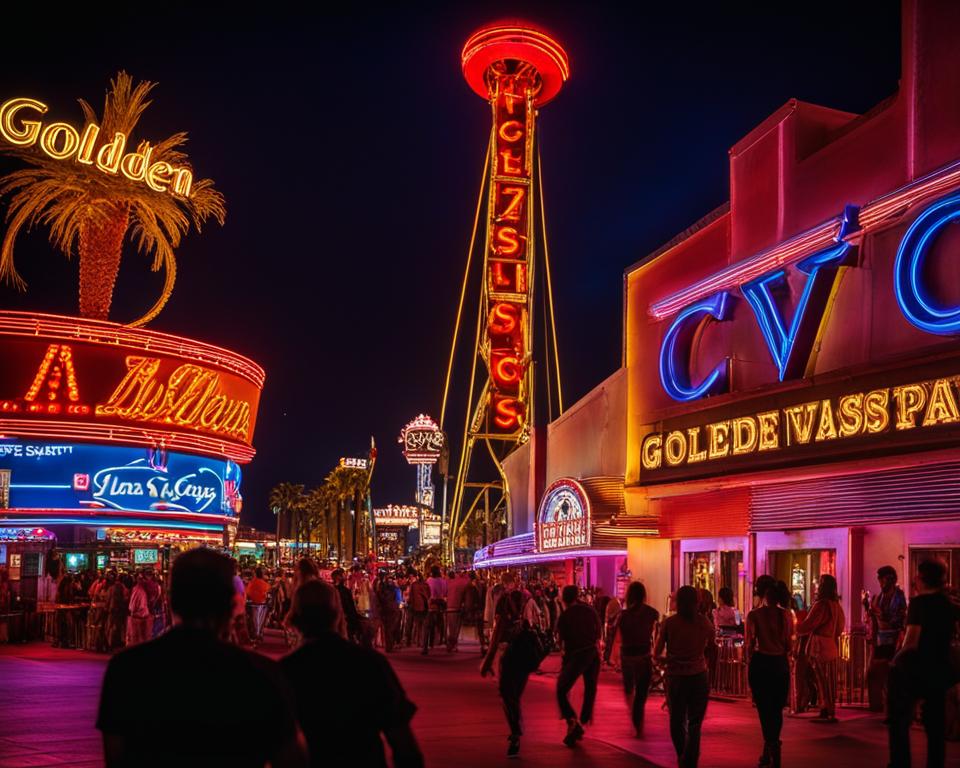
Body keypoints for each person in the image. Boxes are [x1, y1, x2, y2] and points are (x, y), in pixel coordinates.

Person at [97, 548, 307, 767]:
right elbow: (292, 758)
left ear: (171, 599)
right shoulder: (262, 675)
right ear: (232, 604)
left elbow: (115, 757)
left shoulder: (127, 670)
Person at [282, 579, 423, 768]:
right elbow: (402, 740)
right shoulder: (370, 663)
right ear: (337, 614)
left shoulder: (288, 669)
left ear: (295, 618)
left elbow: (280, 747)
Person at [887, 559, 960, 768]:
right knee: (936, 727)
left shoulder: (919, 604)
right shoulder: (948, 604)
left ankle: (900, 762)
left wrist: (896, 660)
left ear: (921, 578)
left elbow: (911, 641)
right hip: (941, 669)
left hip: (917, 669)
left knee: (899, 721)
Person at [655, 584, 713, 768]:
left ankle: (682, 755)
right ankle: (691, 757)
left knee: (677, 719)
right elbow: (712, 648)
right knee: (695, 722)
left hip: (676, 676)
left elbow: (656, 653)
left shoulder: (669, 623)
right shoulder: (705, 623)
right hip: (699, 675)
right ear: (698, 603)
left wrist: (666, 661)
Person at [481, 588, 540, 758]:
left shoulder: (504, 621)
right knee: (515, 695)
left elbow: (495, 641)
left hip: (508, 657)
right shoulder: (524, 619)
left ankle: (515, 732)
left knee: (508, 695)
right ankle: (516, 729)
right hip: (525, 656)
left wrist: (486, 664)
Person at [745, 577, 793, 768]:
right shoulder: (786, 615)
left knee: (764, 709)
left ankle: (770, 745)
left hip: (761, 663)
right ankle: (773, 745)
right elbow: (789, 645)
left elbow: (750, 644)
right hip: (780, 663)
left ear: (762, 594)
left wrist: (748, 660)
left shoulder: (754, 615)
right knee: (776, 708)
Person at [555, 585, 602, 748]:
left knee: (561, 689)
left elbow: (560, 642)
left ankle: (573, 720)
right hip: (592, 654)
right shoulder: (590, 611)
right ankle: (582, 720)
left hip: (576, 656)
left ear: (564, 599)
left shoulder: (565, 616)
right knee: (590, 687)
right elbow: (599, 632)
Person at [796, 573, 845, 723]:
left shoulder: (822, 605)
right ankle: (828, 708)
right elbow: (840, 627)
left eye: (821, 583)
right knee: (828, 680)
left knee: (821, 678)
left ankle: (826, 709)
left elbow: (810, 623)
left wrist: (796, 628)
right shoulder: (836, 606)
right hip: (831, 643)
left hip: (820, 646)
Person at [617, 581, 659, 737]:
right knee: (641, 692)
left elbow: (618, 635)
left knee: (629, 689)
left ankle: (636, 720)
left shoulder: (623, 615)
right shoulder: (652, 613)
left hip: (627, 654)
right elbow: (655, 633)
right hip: (644, 654)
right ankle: (638, 720)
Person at [865, 564, 907, 712]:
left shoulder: (899, 597)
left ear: (891, 580)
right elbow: (873, 622)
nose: (881, 583)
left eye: (883, 580)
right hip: (880, 641)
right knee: (874, 674)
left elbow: (899, 620)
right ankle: (878, 706)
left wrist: (881, 614)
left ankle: (893, 708)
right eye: (880, 580)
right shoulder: (877, 598)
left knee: (892, 676)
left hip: (895, 641)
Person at [422, 565, 448, 655]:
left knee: (427, 627)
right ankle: (446, 643)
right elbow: (445, 592)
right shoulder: (443, 581)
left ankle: (425, 647)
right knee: (441, 626)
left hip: (430, 605)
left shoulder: (429, 581)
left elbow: (426, 592)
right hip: (440, 605)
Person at [404, 572, 430, 648]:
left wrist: (409, 602)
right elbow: (429, 595)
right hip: (424, 607)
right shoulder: (425, 585)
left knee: (415, 624)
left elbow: (411, 596)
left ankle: (416, 641)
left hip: (415, 607)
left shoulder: (414, 585)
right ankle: (421, 641)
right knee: (422, 625)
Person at [127, 573, 152, 646]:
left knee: (138, 638)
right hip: (139, 616)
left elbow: (132, 606)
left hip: (140, 616)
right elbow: (134, 605)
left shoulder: (140, 589)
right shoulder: (139, 590)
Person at [446, 569, 468, 652]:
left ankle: (452, 644)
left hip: (449, 606)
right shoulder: (463, 582)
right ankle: (453, 644)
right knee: (456, 628)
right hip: (457, 607)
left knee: (451, 628)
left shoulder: (449, 583)